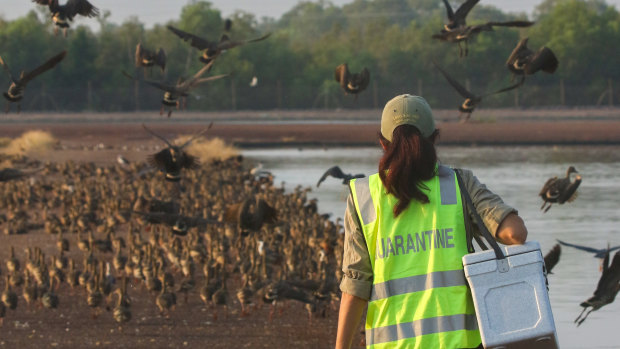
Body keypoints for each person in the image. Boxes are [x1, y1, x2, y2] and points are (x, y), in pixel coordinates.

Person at [335, 94, 528, 349]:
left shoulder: (363, 196)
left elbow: (355, 286)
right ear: (433, 139)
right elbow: (515, 234)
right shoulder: (460, 184)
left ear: (383, 144)